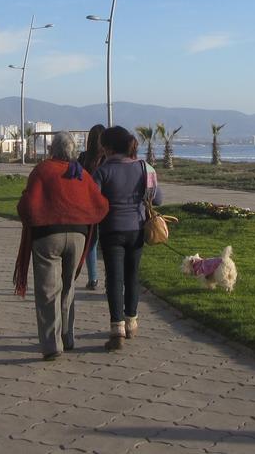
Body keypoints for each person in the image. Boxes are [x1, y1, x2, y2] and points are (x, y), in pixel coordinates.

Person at [14, 133, 108, 360]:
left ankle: (52, 345)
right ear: (73, 151)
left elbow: (27, 205)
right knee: (68, 287)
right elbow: (101, 204)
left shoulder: (43, 170)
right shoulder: (80, 174)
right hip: (78, 236)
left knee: (48, 291)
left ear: (51, 149)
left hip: (47, 236)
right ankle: (68, 336)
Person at [94, 125, 162, 351]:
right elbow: (158, 198)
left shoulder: (102, 171)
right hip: (136, 229)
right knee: (133, 275)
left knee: (114, 278)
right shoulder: (146, 167)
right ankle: (132, 322)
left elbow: (93, 200)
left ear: (109, 147)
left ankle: (117, 329)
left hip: (110, 230)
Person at [78, 124, 107, 290]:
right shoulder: (107, 159)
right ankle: (109, 279)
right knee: (106, 243)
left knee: (91, 242)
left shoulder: (83, 158)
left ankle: (93, 278)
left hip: (88, 206)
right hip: (105, 205)